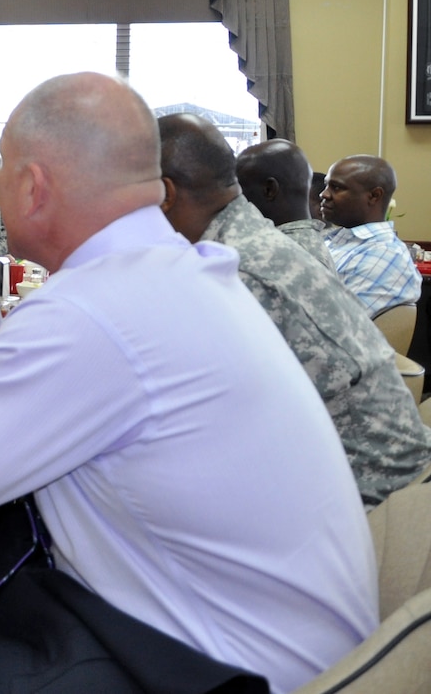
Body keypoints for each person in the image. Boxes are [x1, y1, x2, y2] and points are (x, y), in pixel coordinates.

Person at [0, 73, 377, 692]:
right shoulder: (164, 273)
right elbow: (10, 410)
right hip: (241, 638)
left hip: (214, 673)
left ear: (33, 187)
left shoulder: (98, 308)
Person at [159, 113, 431, 507]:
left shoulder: (242, 267)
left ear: (164, 192)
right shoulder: (252, 246)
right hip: (350, 469)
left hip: (367, 500)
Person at [320, 155, 421, 315]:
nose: (324, 194)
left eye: (336, 188)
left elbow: (336, 327)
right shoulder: (335, 239)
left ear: (374, 196)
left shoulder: (384, 255)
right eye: (326, 186)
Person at [235, 139, 335, 269]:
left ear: (269, 190)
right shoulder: (300, 243)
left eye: (241, 188)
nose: (237, 199)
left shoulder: (280, 253)